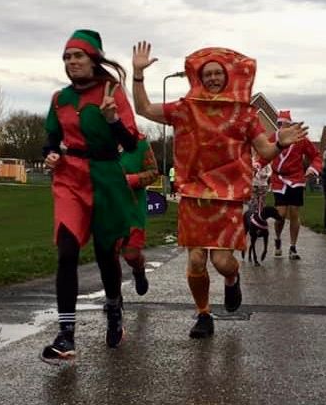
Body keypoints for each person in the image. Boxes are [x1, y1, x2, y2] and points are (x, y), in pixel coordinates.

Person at [131, 42, 307, 338]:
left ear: (227, 77)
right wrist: (138, 74)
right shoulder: (186, 109)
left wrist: (280, 141)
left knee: (223, 262)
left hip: (227, 198)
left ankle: (232, 279)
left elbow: (263, 149)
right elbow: (144, 108)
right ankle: (203, 314)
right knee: (197, 259)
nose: (213, 78)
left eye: (218, 73)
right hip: (193, 196)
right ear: (199, 78)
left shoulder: (245, 115)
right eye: (207, 73)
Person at [40, 29, 139, 363]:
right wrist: (51, 153)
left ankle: (113, 307)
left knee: (104, 254)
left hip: (106, 176)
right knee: (66, 250)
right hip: (70, 176)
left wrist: (112, 119)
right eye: (67, 57)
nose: (71, 63)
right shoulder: (59, 99)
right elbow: (51, 138)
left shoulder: (112, 92)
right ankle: (66, 335)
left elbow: (132, 143)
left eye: (78, 56)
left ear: (94, 58)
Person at [269, 110, 322, 259]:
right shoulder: (273, 138)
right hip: (279, 180)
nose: (280, 126)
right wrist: (257, 164)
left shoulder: (301, 139)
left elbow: (316, 155)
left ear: (290, 124)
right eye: (278, 124)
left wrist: (313, 168)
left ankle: (292, 246)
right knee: (280, 214)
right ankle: (278, 239)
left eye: (283, 124)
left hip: (296, 179)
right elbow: (264, 154)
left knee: (294, 212)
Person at [120, 134, 159, 296]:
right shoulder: (97, 140)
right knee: (108, 255)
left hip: (133, 207)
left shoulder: (140, 143)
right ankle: (114, 298)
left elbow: (153, 172)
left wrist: (131, 179)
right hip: (106, 205)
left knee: (131, 254)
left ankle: (139, 268)